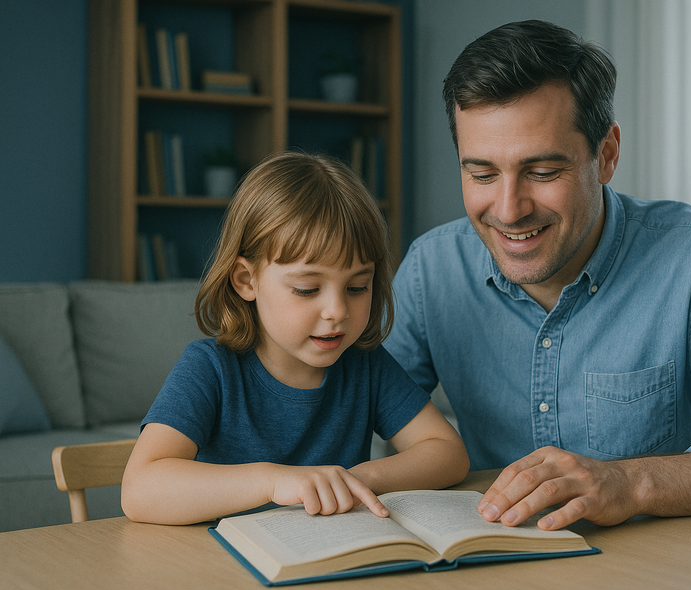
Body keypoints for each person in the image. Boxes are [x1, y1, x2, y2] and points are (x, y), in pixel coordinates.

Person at [384, 20, 691, 531]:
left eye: (543, 172)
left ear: (607, 155)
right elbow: (349, 406)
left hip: (662, 571)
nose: (508, 210)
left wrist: (628, 482)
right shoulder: (431, 269)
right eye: (482, 174)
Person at [122, 151, 469, 525]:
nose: (337, 311)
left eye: (357, 287)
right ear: (246, 280)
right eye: (306, 289)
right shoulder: (210, 369)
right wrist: (273, 482)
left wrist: (356, 479)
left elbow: (448, 453)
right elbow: (140, 488)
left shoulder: (365, 365)